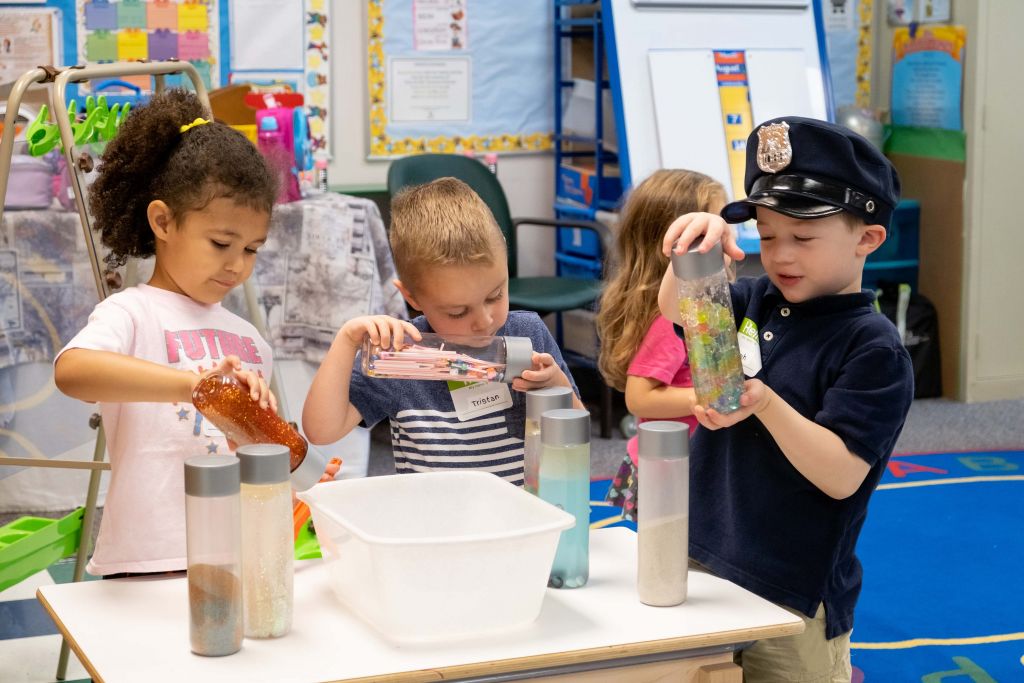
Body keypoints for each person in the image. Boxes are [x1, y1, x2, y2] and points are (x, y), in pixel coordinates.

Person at [657, 116, 914, 682]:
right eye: (768, 236)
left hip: (794, 591)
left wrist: (766, 404)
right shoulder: (754, 300)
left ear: (867, 239)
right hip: (706, 557)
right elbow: (679, 310)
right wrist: (691, 250)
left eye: (803, 237)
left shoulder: (872, 347)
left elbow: (842, 474)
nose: (781, 255)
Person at [54, 89, 279, 577]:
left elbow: (249, 453)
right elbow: (72, 372)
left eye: (253, 249)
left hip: (234, 556)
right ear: (163, 221)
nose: (237, 266)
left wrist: (278, 460)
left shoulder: (250, 341)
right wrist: (195, 386)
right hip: (145, 561)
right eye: (221, 243)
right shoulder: (132, 312)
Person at [303, 177, 584, 485]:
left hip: (519, 518)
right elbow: (321, 431)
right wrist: (346, 341)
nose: (484, 320)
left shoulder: (528, 333)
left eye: (496, 294)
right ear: (412, 297)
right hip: (434, 524)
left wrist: (554, 384)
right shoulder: (401, 353)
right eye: (457, 312)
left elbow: (577, 435)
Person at [595, 169, 728, 521]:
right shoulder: (670, 321)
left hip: (673, 459)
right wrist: (710, 397)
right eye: (713, 237)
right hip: (670, 466)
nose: (730, 246)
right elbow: (639, 398)